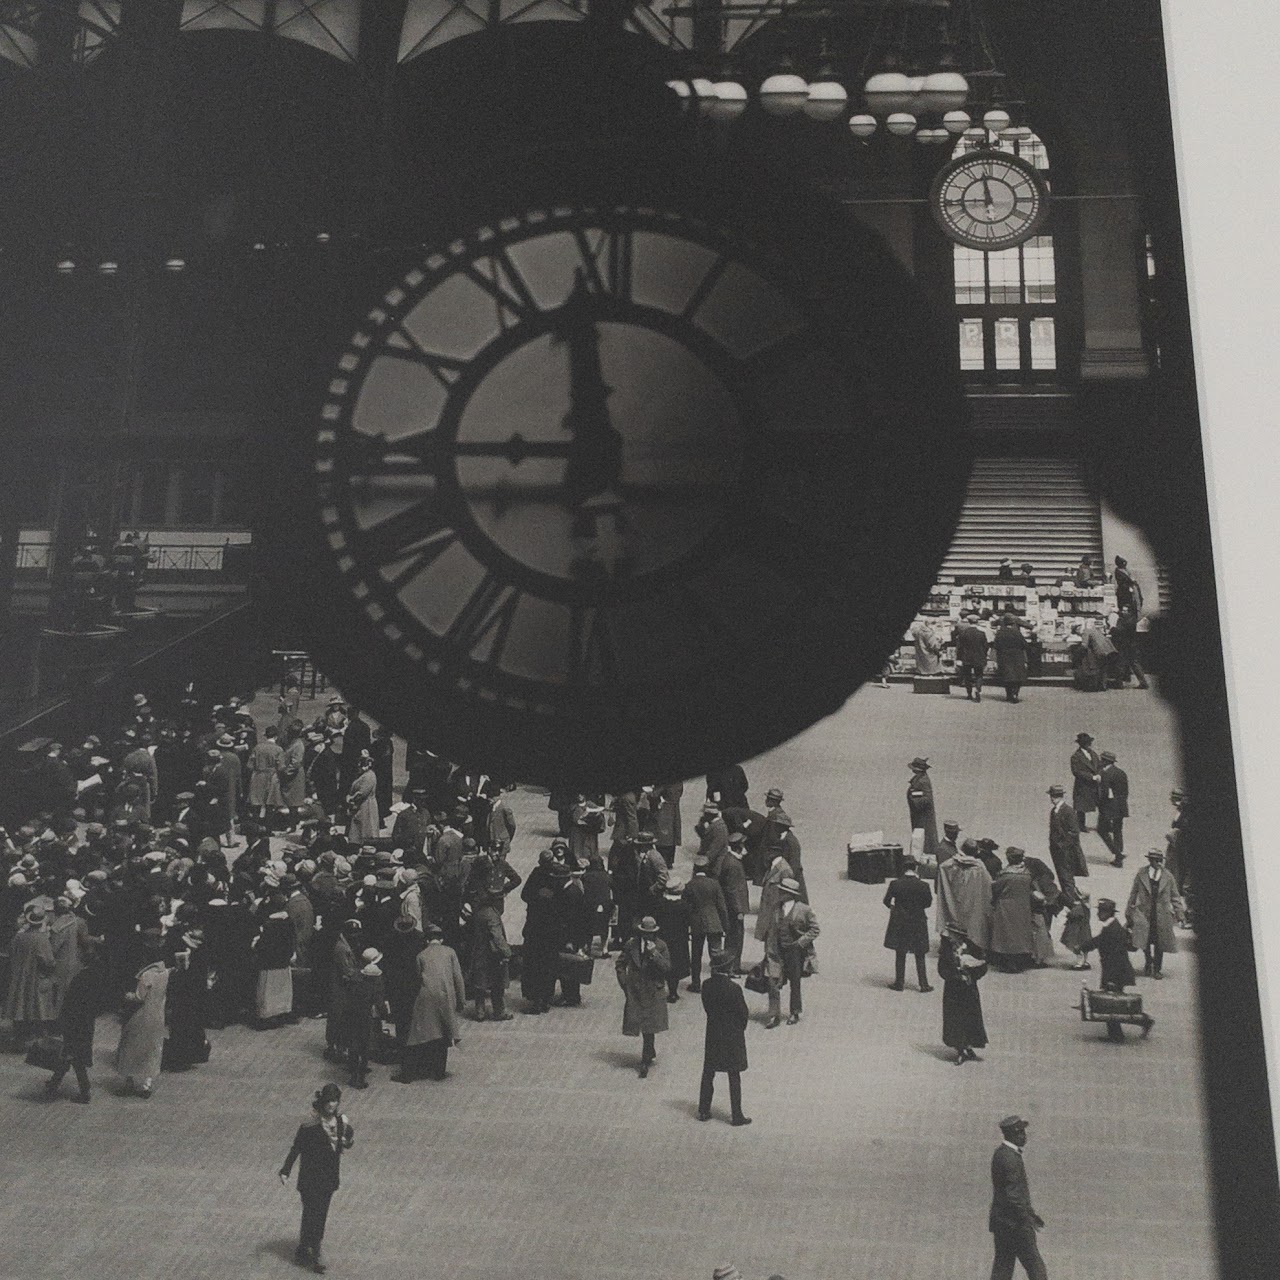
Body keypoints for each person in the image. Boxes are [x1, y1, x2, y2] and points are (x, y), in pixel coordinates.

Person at [279, 1083, 355, 1274]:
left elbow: (346, 1141)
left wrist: (347, 1142)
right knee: (312, 1214)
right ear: (322, 1102)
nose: (332, 1104)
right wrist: (285, 1170)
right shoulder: (309, 1127)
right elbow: (296, 1148)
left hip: (328, 1179)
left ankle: (306, 1247)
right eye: (329, 1101)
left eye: (335, 1101)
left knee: (319, 1215)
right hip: (310, 1180)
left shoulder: (340, 1123)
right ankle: (313, 1251)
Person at [397, 923, 465, 1082]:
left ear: (427, 940)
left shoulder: (421, 955)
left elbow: (418, 977)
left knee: (426, 1031)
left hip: (426, 996)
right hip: (445, 995)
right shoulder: (450, 952)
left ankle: (419, 1068)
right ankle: (439, 1071)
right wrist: (461, 1000)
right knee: (444, 1031)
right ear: (441, 939)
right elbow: (458, 978)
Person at [989, 1115, 1049, 1280]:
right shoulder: (1010, 1158)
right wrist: (1027, 1219)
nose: (1024, 1136)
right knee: (1035, 1267)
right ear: (1013, 1135)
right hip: (1016, 1225)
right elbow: (1013, 1196)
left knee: (1003, 1266)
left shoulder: (1001, 1154)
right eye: (1021, 1133)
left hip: (1002, 1223)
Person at [697, 950, 751, 1126]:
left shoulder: (706, 985)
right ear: (727, 968)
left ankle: (704, 1110)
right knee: (733, 1075)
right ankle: (737, 1115)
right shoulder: (734, 989)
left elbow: (707, 1008)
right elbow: (743, 1013)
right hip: (732, 1035)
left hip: (713, 1033)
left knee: (708, 1072)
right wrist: (739, 1028)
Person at [44, 933, 99, 1103]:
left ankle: (85, 1090)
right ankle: (54, 1082)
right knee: (69, 1054)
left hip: (75, 1022)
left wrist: (62, 1020)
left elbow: (71, 1003)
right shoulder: (94, 976)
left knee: (73, 1056)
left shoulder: (80, 978)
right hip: (86, 1021)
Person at [616, 916, 671, 1078]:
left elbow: (667, 968)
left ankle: (645, 1059)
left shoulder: (660, 946)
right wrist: (624, 983)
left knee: (649, 1026)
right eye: (645, 934)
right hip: (635, 990)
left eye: (651, 934)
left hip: (653, 990)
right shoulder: (631, 945)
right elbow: (620, 964)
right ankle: (649, 1050)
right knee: (639, 1022)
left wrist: (654, 953)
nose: (648, 937)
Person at [115, 938, 170, 1097]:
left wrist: (127, 995)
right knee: (152, 1049)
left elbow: (139, 997)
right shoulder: (165, 973)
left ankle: (129, 1081)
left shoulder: (146, 975)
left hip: (141, 1015)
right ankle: (147, 1083)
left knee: (130, 1046)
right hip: (158, 1014)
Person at [763, 877, 818, 1029]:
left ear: (790, 894)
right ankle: (774, 1014)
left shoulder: (804, 909)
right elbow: (771, 929)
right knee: (773, 982)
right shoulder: (776, 908)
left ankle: (795, 1011)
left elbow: (815, 929)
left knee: (795, 982)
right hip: (776, 951)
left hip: (795, 953)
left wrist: (800, 943)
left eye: (783, 891)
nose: (780, 893)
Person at [1125, 848, 1185, 979]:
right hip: (1144, 913)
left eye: (1159, 861)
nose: (1157, 863)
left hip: (1162, 915)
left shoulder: (1168, 876)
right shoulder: (1142, 873)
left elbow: (1175, 897)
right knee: (1145, 941)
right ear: (1150, 861)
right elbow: (1133, 893)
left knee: (1160, 943)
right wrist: (1129, 911)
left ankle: (1157, 968)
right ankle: (1148, 962)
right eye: (1154, 860)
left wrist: (1180, 914)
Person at [4, 904, 56, 1047]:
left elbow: (11, 954)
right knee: (33, 1006)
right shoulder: (41, 939)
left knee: (19, 1003)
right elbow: (48, 961)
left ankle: (18, 1036)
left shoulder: (18, 937)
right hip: (35, 977)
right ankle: (30, 1038)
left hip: (18, 975)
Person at [938, 923, 987, 1066]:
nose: (953, 939)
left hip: (969, 990)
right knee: (956, 1020)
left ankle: (969, 1045)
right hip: (953, 992)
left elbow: (982, 966)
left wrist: (973, 972)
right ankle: (960, 1049)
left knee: (971, 1018)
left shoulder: (972, 948)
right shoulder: (946, 951)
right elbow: (942, 970)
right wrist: (957, 975)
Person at [882, 856, 933, 992]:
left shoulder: (895, 884)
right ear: (915, 868)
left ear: (903, 868)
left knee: (900, 952)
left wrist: (894, 909)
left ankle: (899, 983)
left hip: (900, 921)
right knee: (920, 953)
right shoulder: (923, 885)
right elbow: (928, 903)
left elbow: (886, 901)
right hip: (918, 921)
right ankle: (923, 984)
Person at [936, 836, 993, 949]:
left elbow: (942, 874)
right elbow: (989, 886)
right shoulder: (979, 867)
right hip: (973, 903)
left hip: (955, 903)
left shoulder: (949, 865)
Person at [683, 855, 729, 991]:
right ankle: (717, 982)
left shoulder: (689, 885)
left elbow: (686, 908)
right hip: (714, 922)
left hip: (697, 924)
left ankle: (696, 983)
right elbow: (722, 906)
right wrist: (725, 925)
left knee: (696, 955)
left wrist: (687, 927)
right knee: (716, 955)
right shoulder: (714, 884)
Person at [346, 948, 389, 1089]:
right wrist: (385, 1013)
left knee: (353, 1044)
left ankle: (352, 1072)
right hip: (366, 1018)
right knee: (364, 1046)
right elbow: (379, 1003)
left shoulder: (356, 981)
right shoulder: (374, 985)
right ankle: (360, 1078)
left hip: (352, 1015)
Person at [989, 850, 1035, 973]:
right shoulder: (1027, 874)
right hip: (1022, 906)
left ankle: (1009, 962)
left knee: (1006, 934)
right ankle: (1019, 960)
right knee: (1020, 933)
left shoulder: (1005, 875)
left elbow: (995, 889)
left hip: (1006, 906)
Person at [654, 877, 692, 1003]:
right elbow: (688, 921)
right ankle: (673, 992)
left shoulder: (660, 904)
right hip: (679, 940)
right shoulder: (684, 905)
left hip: (662, 938)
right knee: (675, 965)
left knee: (660, 962)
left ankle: (658, 988)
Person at [718, 833, 751, 973]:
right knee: (734, 938)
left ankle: (733, 965)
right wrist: (738, 910)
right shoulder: (733, 864)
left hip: (732, 907)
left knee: (735, 937)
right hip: (734, 909)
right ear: (738, 847)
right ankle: (731, 967)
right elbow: (731, 889)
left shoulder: (730, 860)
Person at [1046, 785, 1086, 896]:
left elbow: (1074, 832)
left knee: (1067, 878)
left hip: (1066, 852)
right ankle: (1068, 898)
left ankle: (1070, 900)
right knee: (1062, 876)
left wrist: (1062, 846)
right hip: (1057, 851)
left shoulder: (1068, 811)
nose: (1052, 798)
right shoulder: (1054, 811)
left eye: (1053, 796)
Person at [1096, 751, 1129, 866]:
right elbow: (1125, 791)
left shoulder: (1105, 774)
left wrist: (1099, 805)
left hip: (1108, 807)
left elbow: (1104, 793)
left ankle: (1117, 853)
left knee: (1101, 830)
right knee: (1118, 831)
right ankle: (1118, 858)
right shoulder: (1121, 773)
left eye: (1102, 760)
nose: (1100, 762)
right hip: (1121, 806)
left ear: (1105, 761)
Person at [906, 757, 938, 862]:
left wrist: (913, 799)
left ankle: (924, 859)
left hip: (923, 817)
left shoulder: (923, 781)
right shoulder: (919, 778)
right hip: (919, 815)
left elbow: (927, 799)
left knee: (925, 839)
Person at [953, 612, 991, 701]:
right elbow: (986, 646)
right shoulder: (981, 633)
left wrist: (959, 658)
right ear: (977, 622)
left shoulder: (963, 633)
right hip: (979, 657)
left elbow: (960, 648)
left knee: (967, 676)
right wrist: (984, 655)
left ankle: (969, 694)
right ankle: (978, 689)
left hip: (966, 658)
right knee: (979, 675)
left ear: (968, 622)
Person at [344, 753, 380, 843]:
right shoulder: (363, 775)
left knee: (366, 826)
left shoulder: (369, 776)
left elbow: (362, 793)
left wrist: (351, 798)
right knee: (358, 826)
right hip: (361, 804)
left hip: (366, 805)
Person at [1069, 732, 1101, 832]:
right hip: (1083, 785)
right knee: (1081, 807)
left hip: (1095, 784)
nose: (1089, 744)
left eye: (1089, 742)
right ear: (1082, 744)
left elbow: (1099, 765)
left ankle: (1102, 825)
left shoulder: (1093, 754)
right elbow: (1077, 772)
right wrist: (1091, 777)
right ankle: (1081, 826)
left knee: (1101, 804)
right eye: (1087, 743)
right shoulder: (1076, 756)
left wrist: (1099, 774)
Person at [993, 616, 1029, 703]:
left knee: (1007, 676)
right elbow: (1024, 645)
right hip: (1017, 657)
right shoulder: (1017, 633)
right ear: (1013, 623)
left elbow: (996, 646)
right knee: (1018, 676)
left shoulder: (1000, 633)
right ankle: (1015, 693)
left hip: (1004, 657)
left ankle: (1009, 694)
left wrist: (995, 660)